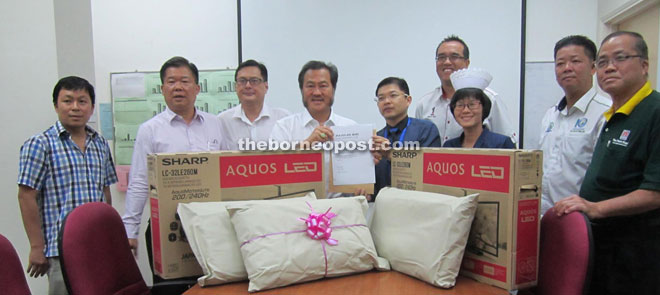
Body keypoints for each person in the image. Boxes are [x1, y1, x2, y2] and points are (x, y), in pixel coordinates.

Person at [554, 31, 660, 295]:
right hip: (602, 247)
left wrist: (595, 208)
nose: (609, 67)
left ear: (644, 65)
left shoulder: (654, 112)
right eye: (602, 62)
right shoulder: (615, 115)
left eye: (620, 58)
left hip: (637, 254)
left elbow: (655, 192)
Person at [122, 56, 224, 292]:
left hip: (212, 224)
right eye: (171, 82)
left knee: (214, 286)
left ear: (197, 88)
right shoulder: (150, 130)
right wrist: (130, 230)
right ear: (162, 89)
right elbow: (139, 180)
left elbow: (226, 171)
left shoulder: (215, 124)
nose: (178, 87)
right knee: (171, 288)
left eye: (185, 81)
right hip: (166, 227)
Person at [17, 76, 118, 295]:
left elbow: (105, 192)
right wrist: (36, 247)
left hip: (98, 246)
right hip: (60, 250)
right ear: (56, 105)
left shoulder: (99, 143)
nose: (75, 107)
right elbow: (26, 196)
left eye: (82, 101)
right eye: (68, 101)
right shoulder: (40, 144)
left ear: (91, 108)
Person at [539, 35, 611, 214]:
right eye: (560, 63)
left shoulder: (606, 113)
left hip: (582, 217)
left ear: (593, 67)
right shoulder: (551, 114)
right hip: (546, 214)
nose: (567, 68)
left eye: (575, 61)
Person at [270, 60, 357, 198]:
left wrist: (363, 182)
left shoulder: (351, 127)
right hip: (296, 208)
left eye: (323, 86)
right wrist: (307, 143)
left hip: (340, 208)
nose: (316, 92)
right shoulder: (284, 127)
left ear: (333, 89)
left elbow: (358, 175)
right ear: (301, 90)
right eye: (310, 86)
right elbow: (274, 171)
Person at [415, 35, 517, 145]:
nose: (447, 62)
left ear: (467, 63)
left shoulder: (490, 98)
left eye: (454, 56)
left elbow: (507, 146)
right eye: (441, 57)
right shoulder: (425, 103)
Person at [371, 77, 440, 197]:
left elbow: (431, 173)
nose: (387, 101)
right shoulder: (376, 139)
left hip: (417, 204)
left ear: (408, 100)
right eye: (381, 98)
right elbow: (374, 182)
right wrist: (366, 191)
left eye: (393, 95)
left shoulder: (426, 130)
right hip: (383, 207)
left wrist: (391, 155)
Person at [218, 59, 290, 150]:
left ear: (266, 86)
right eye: (242, 81)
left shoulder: (283, 118)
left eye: (254, 81)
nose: (248, 86)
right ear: (236, 86)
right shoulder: (222, 121)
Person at [443, 69, 515, 148]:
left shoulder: (501, 143)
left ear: (484, 108)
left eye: (472, 104)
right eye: (460, 105)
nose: (465, 110)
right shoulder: (449, 146)